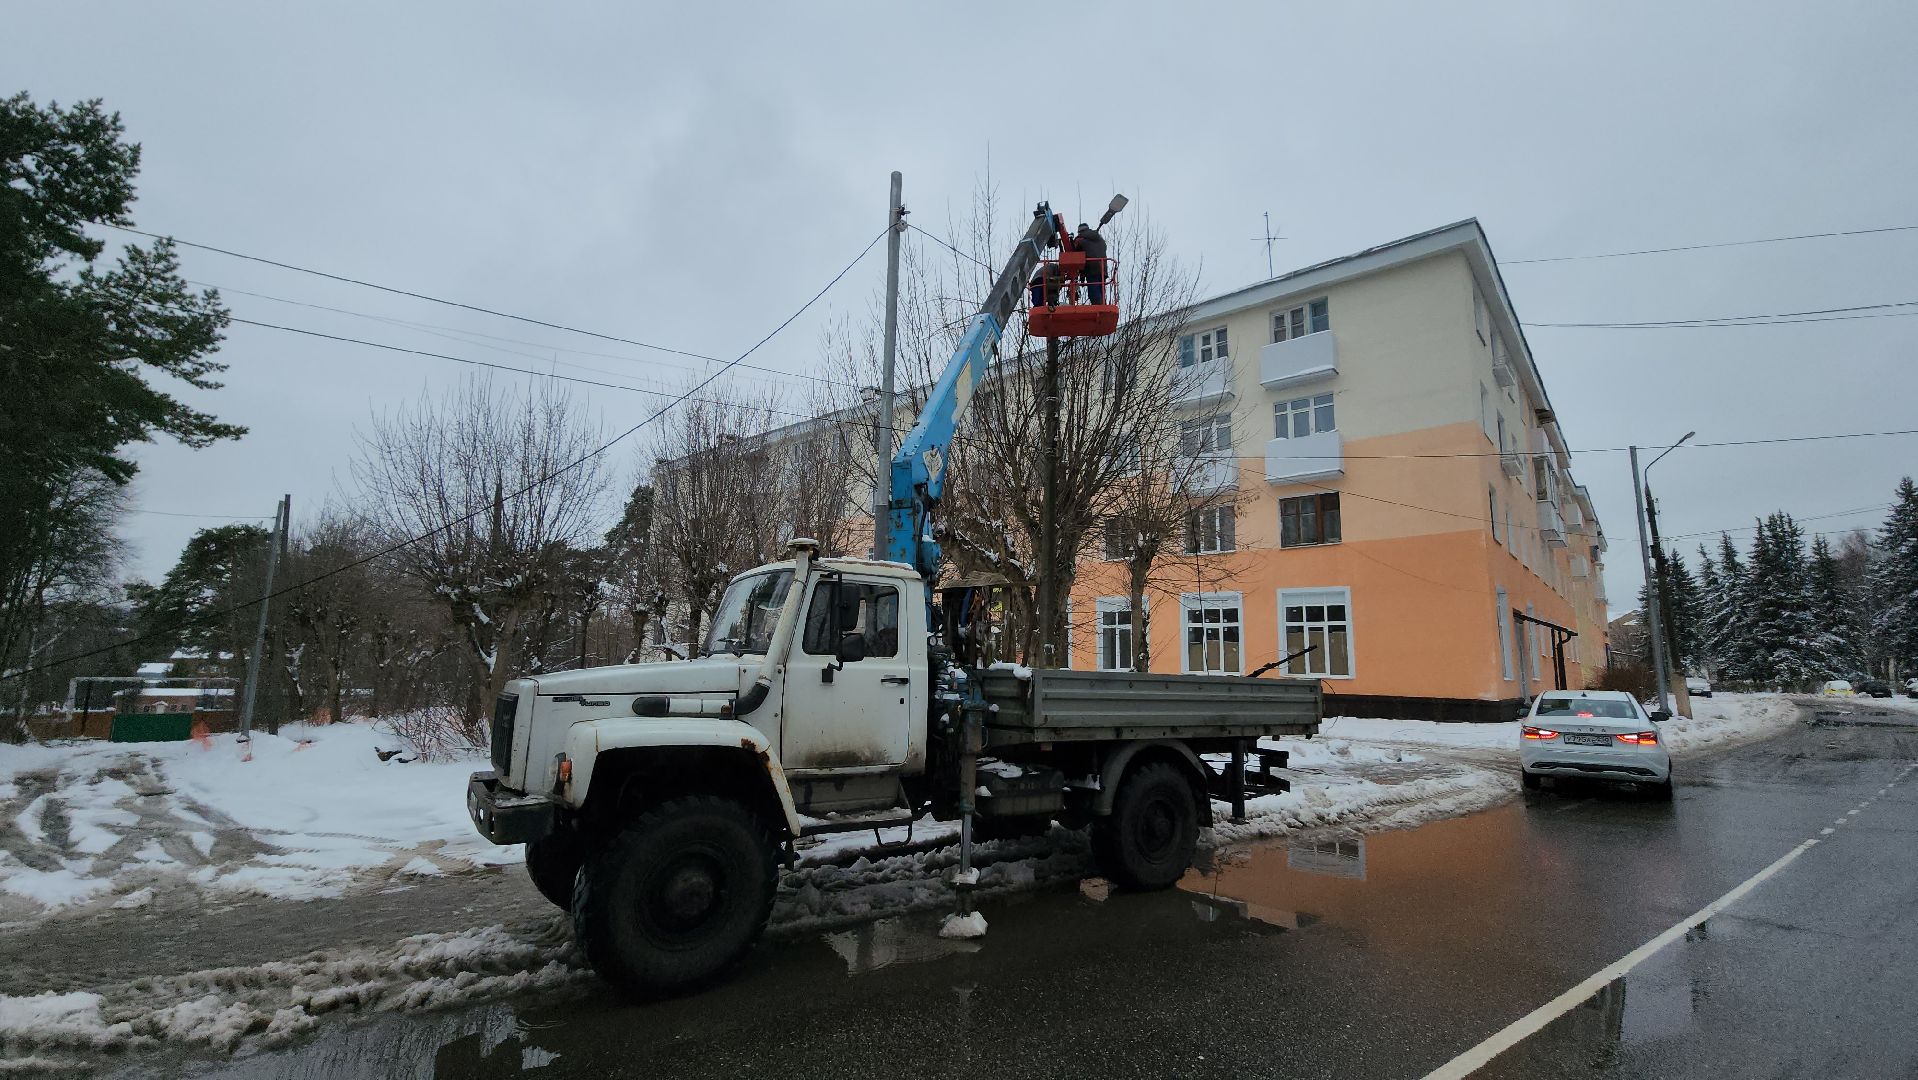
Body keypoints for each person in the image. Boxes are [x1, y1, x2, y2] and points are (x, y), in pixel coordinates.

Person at [1075, 223, 1108, 304]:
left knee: (1094, 291)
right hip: (1103, 268)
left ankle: (1098, 305)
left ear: (1080, 232)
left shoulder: (1080, 240)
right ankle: (1102, 305)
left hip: (1092, 268)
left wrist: (1081, 277)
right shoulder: (1099, 239)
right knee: (1101, 290)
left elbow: (1078, 258)